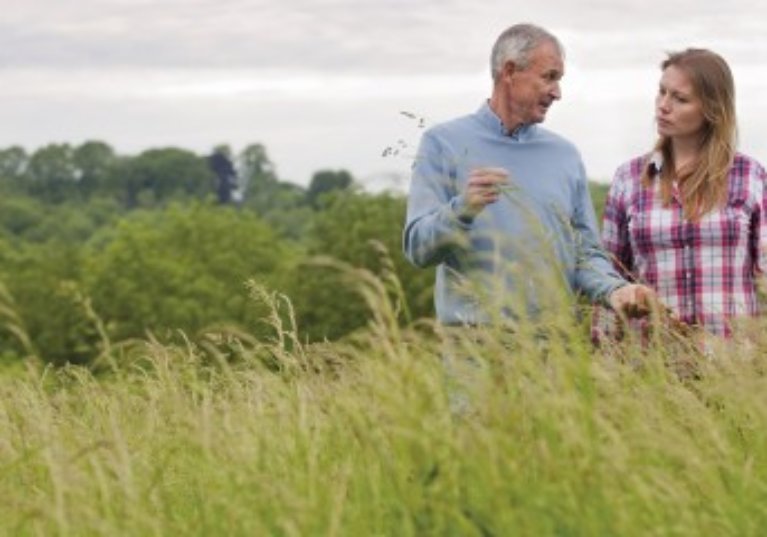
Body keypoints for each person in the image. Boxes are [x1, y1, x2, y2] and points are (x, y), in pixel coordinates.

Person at [402, 23, 652, 329]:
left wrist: (615, 290)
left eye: (559, 80)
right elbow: (417, 250)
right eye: (549, 77)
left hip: (557, 349)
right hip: (474, 349)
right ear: (509, 72)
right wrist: (462, 209)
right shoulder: (441, 143)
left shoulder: (565, 155)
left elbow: (585, 251)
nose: (557, 92)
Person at [592, 48, 767, 342]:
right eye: (661, 92)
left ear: (712, 109)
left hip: (734, 366)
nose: (663, 106)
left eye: (680, 98)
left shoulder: (749, 176)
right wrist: (602, 356)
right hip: (651, 364)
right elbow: (610, 277)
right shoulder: (629, 178)